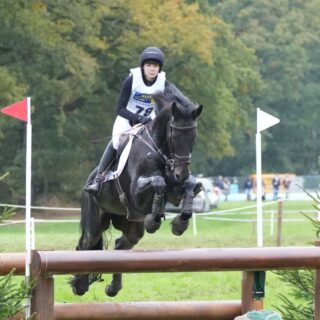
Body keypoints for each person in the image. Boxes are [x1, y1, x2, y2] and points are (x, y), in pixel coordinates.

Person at [86, 47, 168, 195]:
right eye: (148, 65)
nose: (151, 69)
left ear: (159, 68)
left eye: (155, 66)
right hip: (127, 119)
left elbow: (166, 106)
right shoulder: (132, 79)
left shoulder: (163, 82)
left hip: (150, 121)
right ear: (143, 66)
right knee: (117, 142)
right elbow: (120, 108)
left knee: (162, 144)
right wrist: (138, 118)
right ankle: (99, 178)